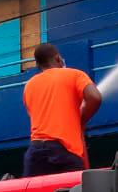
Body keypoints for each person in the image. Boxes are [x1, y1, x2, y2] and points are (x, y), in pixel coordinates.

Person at [21, 42, 102, 176]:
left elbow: (38, 117)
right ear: (58, 58)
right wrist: (81, 119)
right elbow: (95, 97)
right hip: (64, 151)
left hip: (35, 154)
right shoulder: (74, 74)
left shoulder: (28, 86)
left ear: (38, 65)